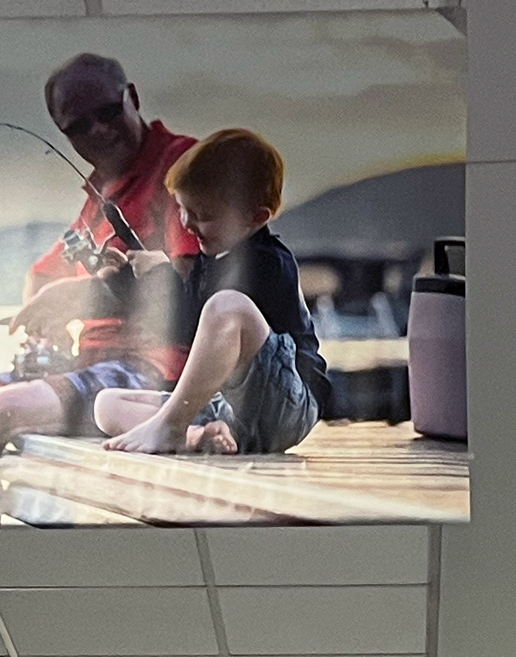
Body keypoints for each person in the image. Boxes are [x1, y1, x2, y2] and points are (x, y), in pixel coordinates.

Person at [0, 53, 198, 522]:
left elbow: (195, 283)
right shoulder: (99, 197)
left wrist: (85, 295)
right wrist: (43, 317)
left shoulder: (183, 168)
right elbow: (44, 273)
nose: (97, 131)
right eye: (78, 126)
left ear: (132, 98)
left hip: (151, 373)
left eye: (108, 112)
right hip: (84, 367)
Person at [92, 128, 340, 459]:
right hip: (232, 407)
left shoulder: (268, 262)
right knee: (106, 404)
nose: (188, 224)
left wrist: (164, 273)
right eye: (183, 209)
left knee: (227, 306)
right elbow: (183, 330)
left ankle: (170, 426)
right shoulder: (210, 261)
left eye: (203, 216)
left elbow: (211, 316)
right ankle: (195, 435)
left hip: (287, 404)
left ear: (256, 218)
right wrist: (124, 281)